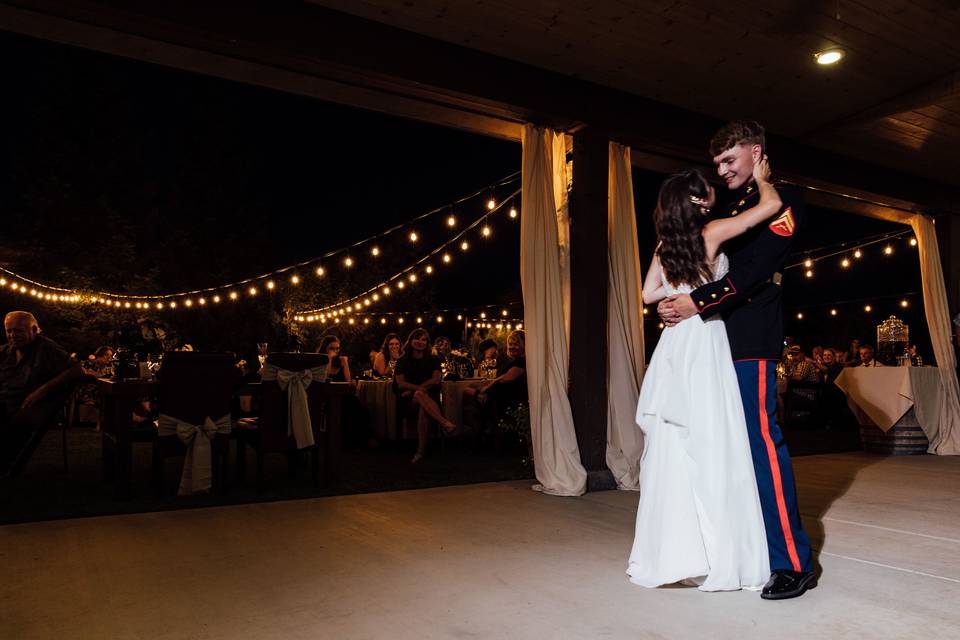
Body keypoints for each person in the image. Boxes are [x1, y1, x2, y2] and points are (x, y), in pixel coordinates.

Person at [656, 121, 816, 599]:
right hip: (708, 343)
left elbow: (753, 270)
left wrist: (694, 302)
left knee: (762, 448)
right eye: (718, 163)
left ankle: (792, 560)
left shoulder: (784, 198)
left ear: (756, 153)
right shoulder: (725, 206)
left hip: (749, 338)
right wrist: (672, 299)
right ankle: (734, 549)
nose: (722, 170)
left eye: (730, 160)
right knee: (720, 451)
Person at [628, 152, 782, 592]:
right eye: (707, 198)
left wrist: (667, 303)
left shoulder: (664, 245)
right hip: (705, 335)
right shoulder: (712, 233)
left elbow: (647, 293)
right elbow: (768, 209)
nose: (712, 203)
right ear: (696, 202)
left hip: (675, 345)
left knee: (676, 443)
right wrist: (765, 179)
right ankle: (720, 549)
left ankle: (677, 549)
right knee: (715, 441)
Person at [1, 311, 84, 477]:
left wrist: (42, 390)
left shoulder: (46, 348)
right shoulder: (5, 351)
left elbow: (77, 370)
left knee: (13, 422)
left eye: (18, 331)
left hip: (29, 406)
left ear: (33, 330)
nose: (12, 335)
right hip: (5, 403)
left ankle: (4, 466)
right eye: (9, 331)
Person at [393, 328, 455, 463]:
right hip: (408, 401)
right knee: (420, 394)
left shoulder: (433, 359)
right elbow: (400, 383)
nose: (420, 342)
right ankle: (444, 423)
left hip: (428, 399)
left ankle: (420, 452)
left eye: (424, 339)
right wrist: (420, 388)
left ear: (427, 343)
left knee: (423, 409)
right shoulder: (402, 361)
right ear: (410, 341)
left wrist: (417, 389)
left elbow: (436, 379)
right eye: (417, 339)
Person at [76, 346, 115, 427]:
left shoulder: (110, 367)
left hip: (103, 389)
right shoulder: (88, 364)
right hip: (88, 390)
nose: (109, 358)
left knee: (114, 394)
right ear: (100, 354)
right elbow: (83, 374)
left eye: (110, 356)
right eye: (106, 355)